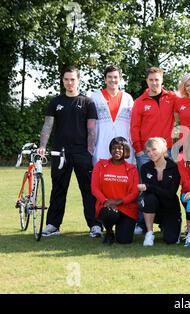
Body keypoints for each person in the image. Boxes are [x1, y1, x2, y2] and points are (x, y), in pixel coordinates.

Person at [37, 66, 102, 238]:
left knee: (88, 189)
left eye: (72, 79)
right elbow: (47, 126)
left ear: (78, 80)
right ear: (63, 81)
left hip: (82, 152)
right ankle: (53, 225)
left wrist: (89, 151)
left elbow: (92, 130)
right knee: (58, 188)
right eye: (66, 79)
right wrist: (43, 145)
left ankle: (95, 225)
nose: (69, 82)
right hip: (60, 152)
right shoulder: (55, 102)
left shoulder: (87, 102)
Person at [130, 67, 177, 234]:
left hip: (167, 151)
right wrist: (138, 149)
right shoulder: (139, 102)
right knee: (145, 188)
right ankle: (142, 224)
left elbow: (188, 102)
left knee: (168, 188)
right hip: (146, 153)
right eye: (151, 80)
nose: (154, 83)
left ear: (162, 80)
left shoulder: (171, 97)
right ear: (147, 81)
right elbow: (134, 127)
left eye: (157, 79)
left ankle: (166, 221)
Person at [91, 137, 139, 244]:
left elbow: (135, 192)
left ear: (125, 150)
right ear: (110, 150)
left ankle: (121, 229)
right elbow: (94, 188)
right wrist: (106, 201)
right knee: (109, 214)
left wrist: (119, 201)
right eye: (113, 148)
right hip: (107, 206)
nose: (116, 150)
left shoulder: (132, 169)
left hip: (126, 208)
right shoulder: (101, 165)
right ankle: (109, 232)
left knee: (124, 240)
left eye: (119, 148)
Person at [138, 137, 182, 246]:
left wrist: (149, 186)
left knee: (171, 240)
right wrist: (149, 188)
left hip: (170, 208)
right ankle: (149, 233)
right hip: (153, 207)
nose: (151, 153)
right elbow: (148, 192)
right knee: (148, 198)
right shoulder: (145, 168)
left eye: (154, 149)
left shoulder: (174, 167)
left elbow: (171, 194)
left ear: (162, 149)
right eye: (148, 151)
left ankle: (166, 225)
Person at [90, 65, 135, 165]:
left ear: (120, 79)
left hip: (124, 145)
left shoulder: (127, 98)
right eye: (109, 77)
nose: (112, 80)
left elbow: (133, 124)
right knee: (102, 176)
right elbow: (90, 125)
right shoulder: (95, 98)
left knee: (124, 176)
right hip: (101, 144)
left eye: (115, 77)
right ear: (105, 79)